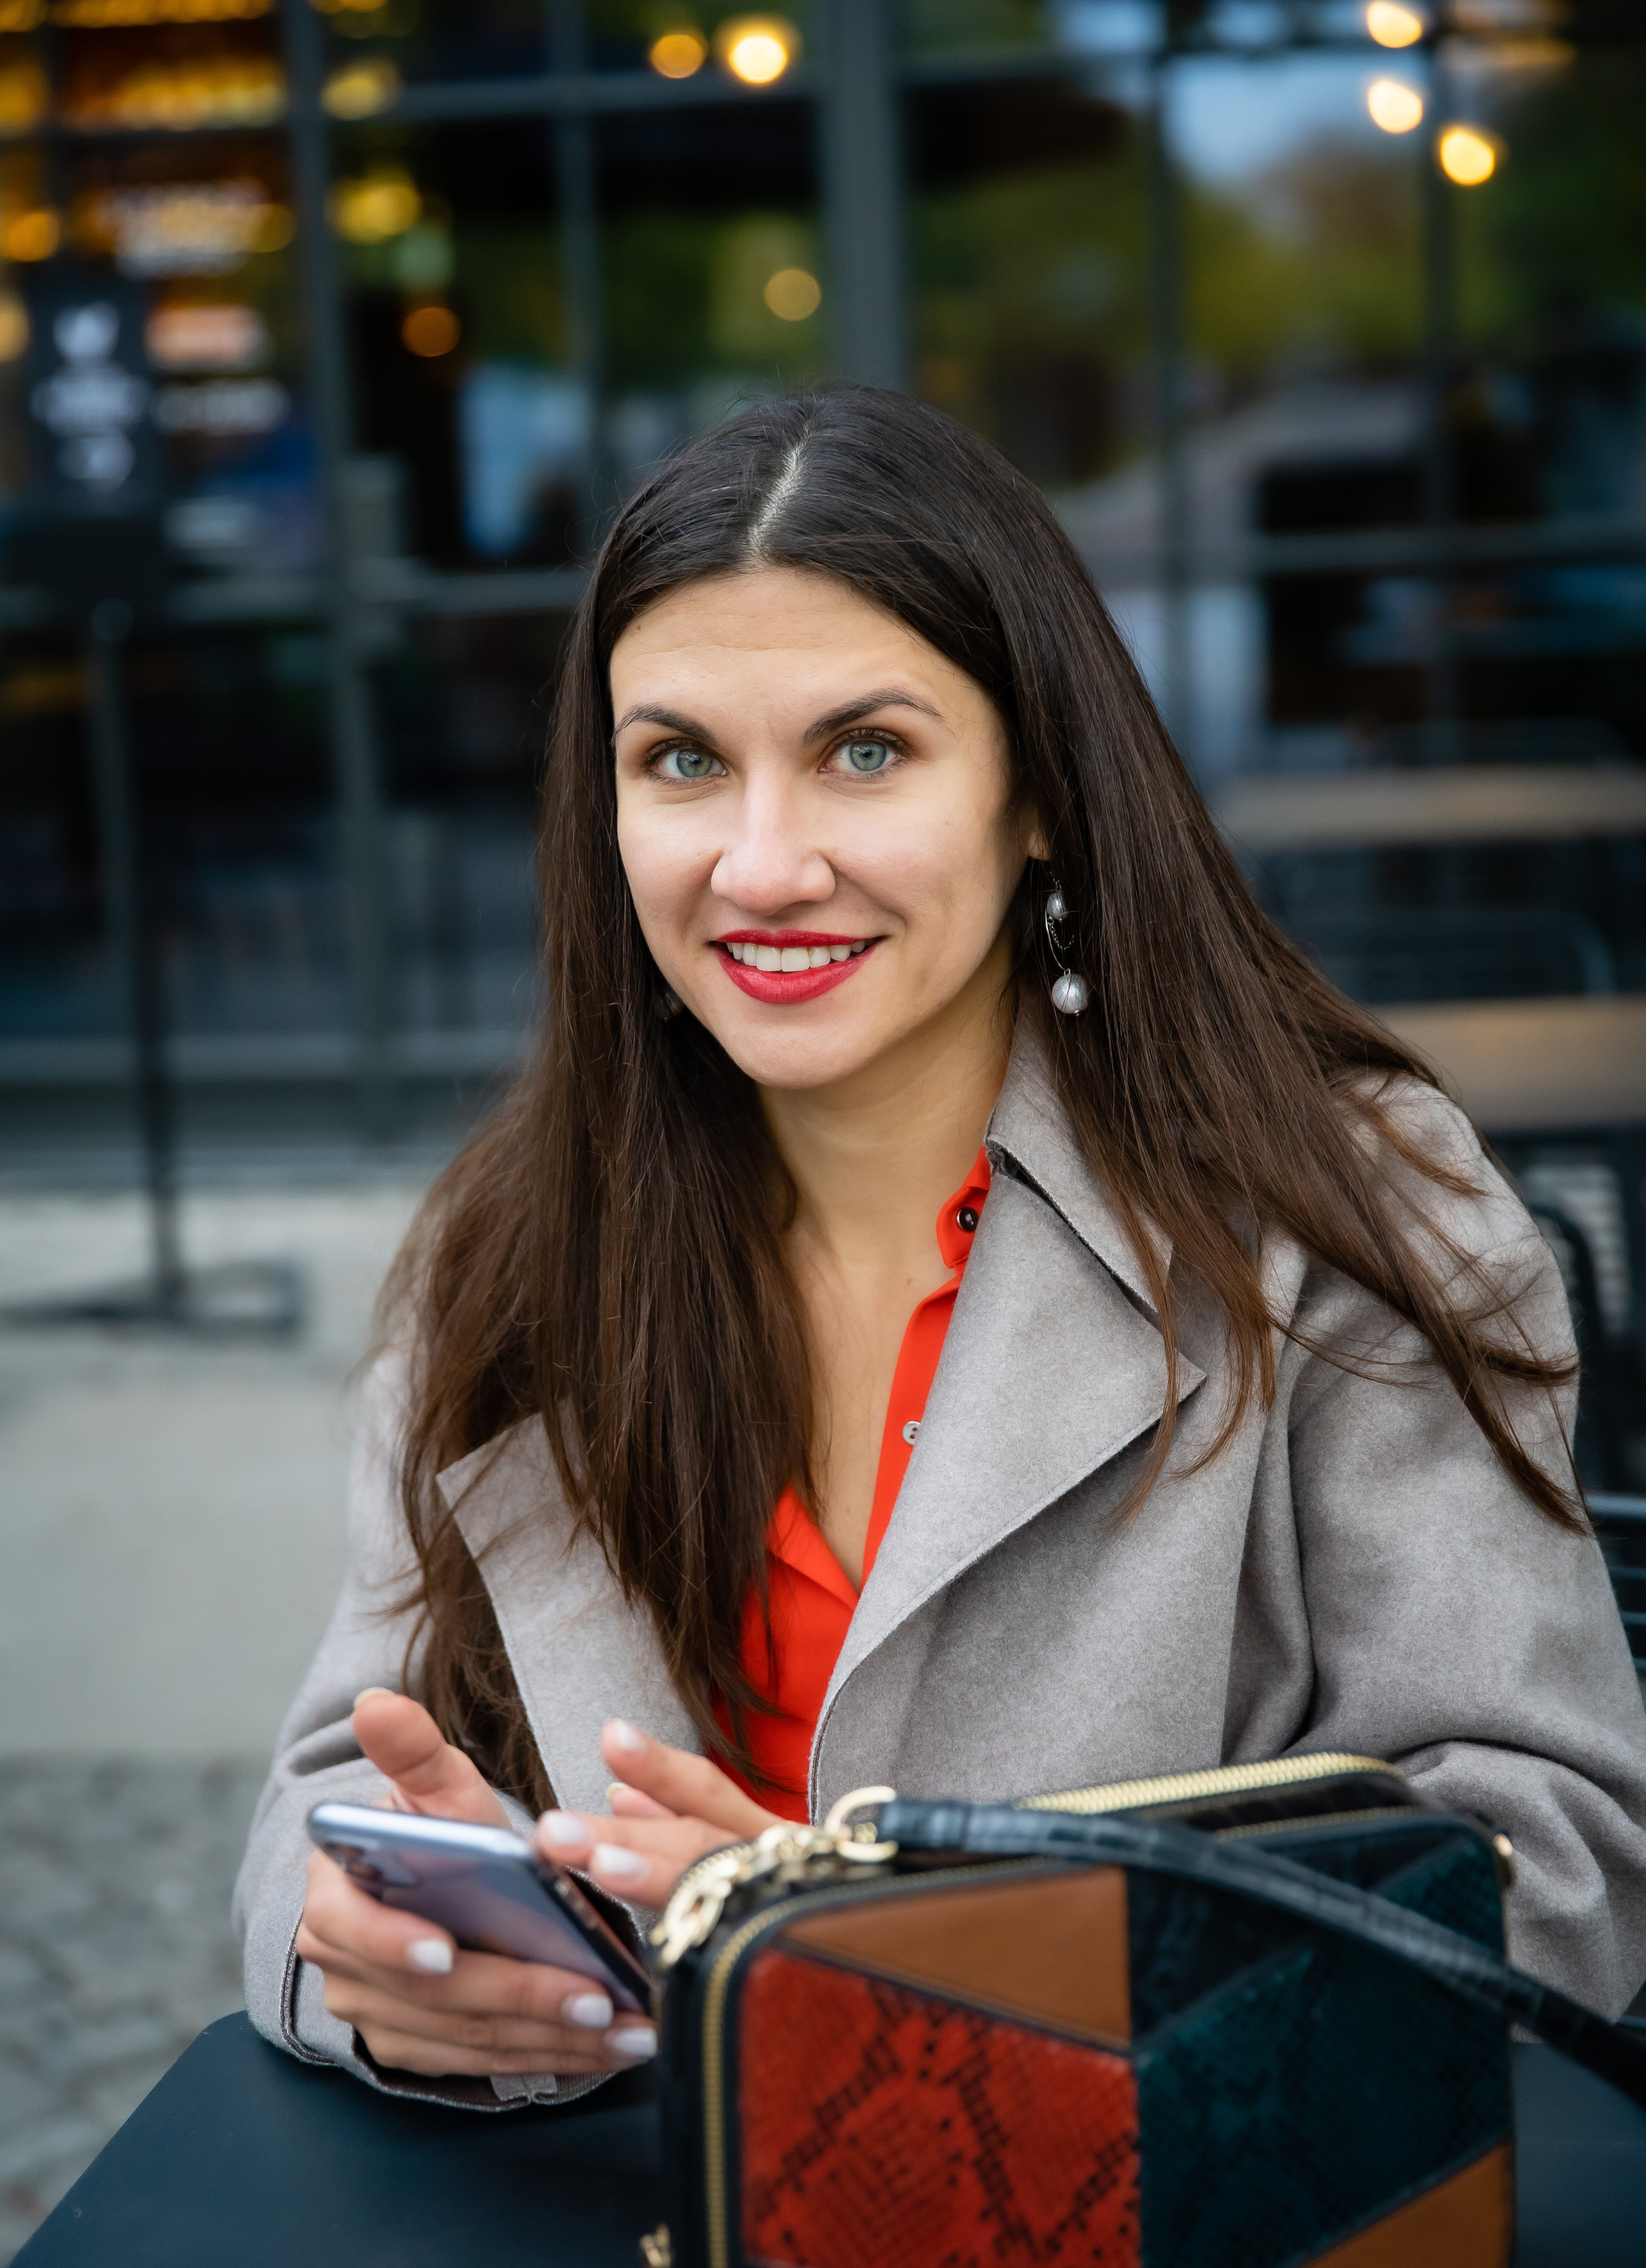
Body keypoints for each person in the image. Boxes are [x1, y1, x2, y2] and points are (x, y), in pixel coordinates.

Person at [236, 386, 1646, 2109]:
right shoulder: (511, 1251)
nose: (762, 865)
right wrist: (388, 1971)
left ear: (1039, 792)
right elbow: (317, 1809)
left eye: (866, 752)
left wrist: (873, 1954)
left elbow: (1560, 1874)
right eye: (682, 761)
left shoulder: (1342, 1214)